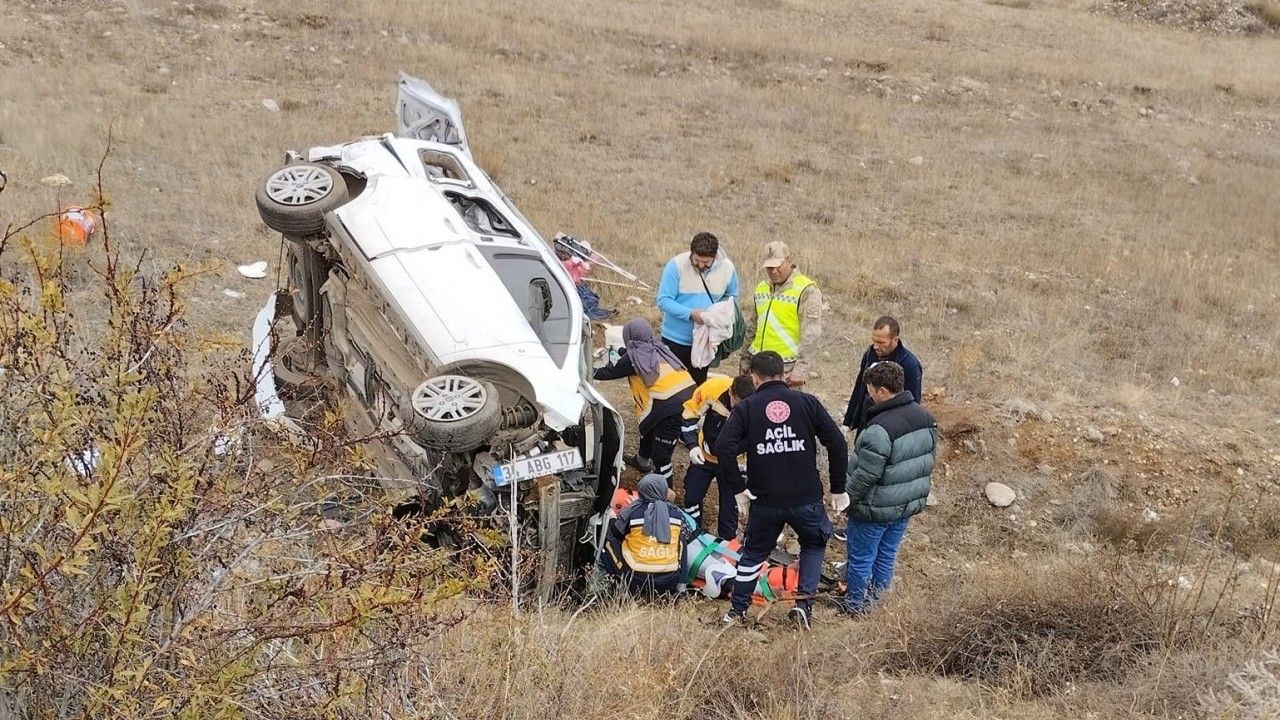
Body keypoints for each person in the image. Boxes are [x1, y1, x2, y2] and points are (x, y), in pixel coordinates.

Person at [714, 351, 848, 630]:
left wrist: (738, 489)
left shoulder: (747, 408)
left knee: (754, 553)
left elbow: (723, 447)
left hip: (766, 499)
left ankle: (737, 610)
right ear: (784, 374)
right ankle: (803, 605)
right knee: (813, 543)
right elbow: (837, 442)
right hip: (806, 496)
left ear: (753, 376)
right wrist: (838, 488)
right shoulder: (807, 403)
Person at [841, 361, 938, 614]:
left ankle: (854, 606)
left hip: (874, 509)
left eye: (871, 390)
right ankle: (878, 604)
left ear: (882, 391)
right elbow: (926, 460)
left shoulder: (878, 429)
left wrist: (845, 500)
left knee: (861, 559)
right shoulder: (926, 418)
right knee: (886, 556)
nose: (869, 395)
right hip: (905, 506)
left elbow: (866, 474)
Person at [594, 318, 696, 486]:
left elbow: (607, 372)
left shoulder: (633, 359)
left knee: (661, 457)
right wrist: (620, 351)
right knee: (649, 426)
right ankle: (642, 460)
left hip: (672, 408)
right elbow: (635, 357)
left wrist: (586, 369)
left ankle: (664, 494)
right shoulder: (659, 347)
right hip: (688, 397)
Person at [656, 232, 739, 385]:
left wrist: (717, 313)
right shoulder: (676, 265)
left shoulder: (727, 268)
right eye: (696, 260)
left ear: (715, 257)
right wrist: (690, 314)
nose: (700, 266)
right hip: (675, 339)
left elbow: (732, 296)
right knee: (672, 386)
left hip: (706, 341)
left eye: (706, 263)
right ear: (691, 252)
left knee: (698, 386)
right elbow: (663, 300)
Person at [679, 374, 756, 539]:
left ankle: (725, 542)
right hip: (705, 455)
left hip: (733, 462)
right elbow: (689, 413)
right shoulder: (713, 388)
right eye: (739, 403)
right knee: (692, 496)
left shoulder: (756, 405)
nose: (742, 408)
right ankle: (693, 531)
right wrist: (692, 446)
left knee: (730, 508)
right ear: (731, 393)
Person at [740, 241, 822, 388]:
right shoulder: (761, 287)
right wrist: (745, 359)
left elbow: (811, 333)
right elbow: (752, 326)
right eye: (769, 268)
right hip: (758, 363)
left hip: (785, 368)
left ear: (789, 261)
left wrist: (801, 368)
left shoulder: (807, 290)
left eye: (778, 266)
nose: (774, 271)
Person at [599, 473, 689, 596]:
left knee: (607, 539)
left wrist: (612, 519)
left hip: (636, 579)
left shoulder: (632, 511)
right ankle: (682, 586)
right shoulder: (676, 514)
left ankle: (618, 586)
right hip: (669, 580)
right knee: (681, 539)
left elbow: (616, 533)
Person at [841, 315, 923, 433]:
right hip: (866, 422)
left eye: (881, 342)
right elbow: (860, 387)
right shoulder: (870, 354)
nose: (875, 346)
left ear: (895, 340)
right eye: (874, 341)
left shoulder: (910, 366)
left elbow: (912, 405)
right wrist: (848, 422)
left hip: (890, 429)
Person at [554, 232, 616, 321]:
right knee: (586, 299)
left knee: (587, 298)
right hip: (573, 284)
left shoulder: (572, 260)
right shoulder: (571, 262)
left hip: (573, 283)